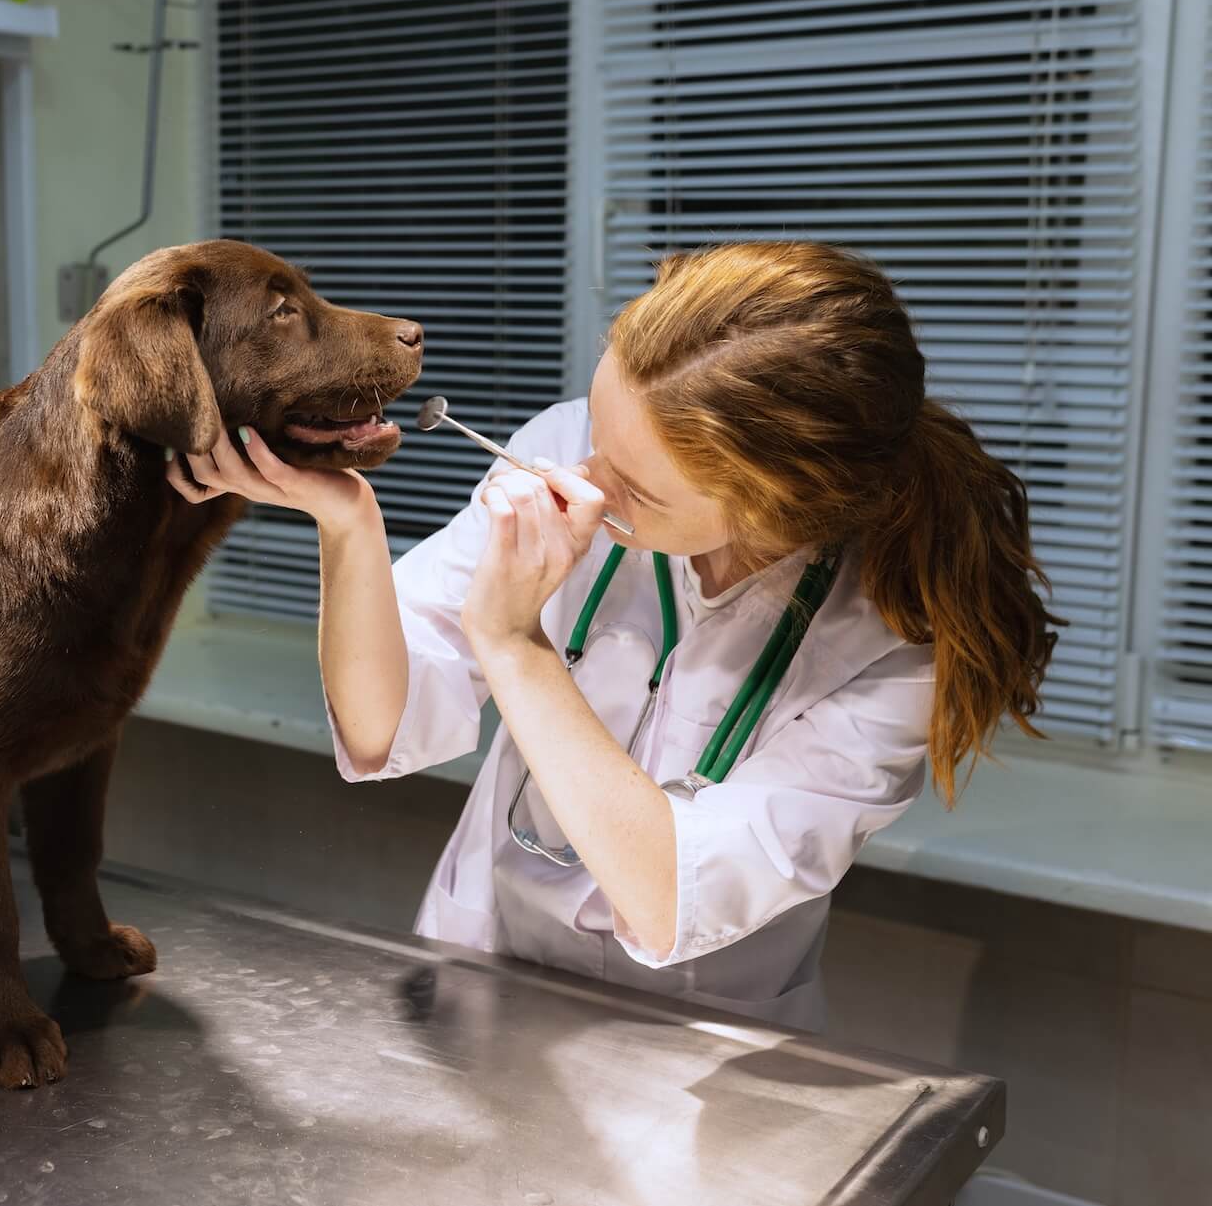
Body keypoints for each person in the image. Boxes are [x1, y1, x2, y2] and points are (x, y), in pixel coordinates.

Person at [166, 240, 1060, 1031]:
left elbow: (672, 894)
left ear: (781, 506)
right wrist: (349, 524)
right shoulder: (567, 444)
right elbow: (376, 724)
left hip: (700, 1043)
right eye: (600, 430)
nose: (583, 479)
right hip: (484, 968)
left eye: (636, 487)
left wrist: (516, 644)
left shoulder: (895, 645)